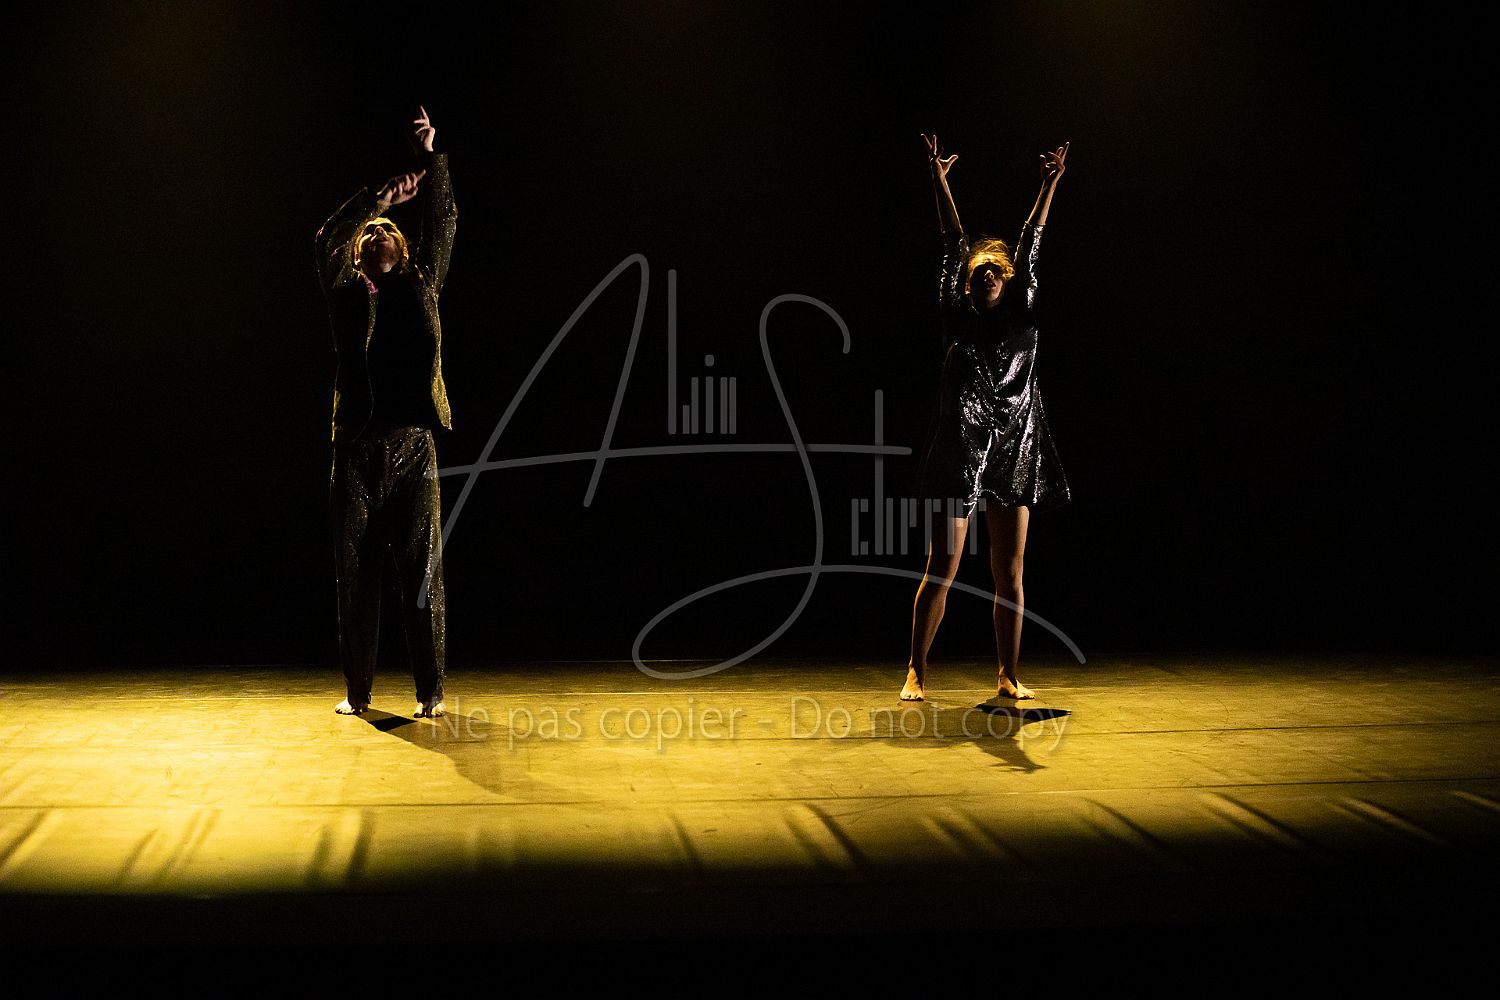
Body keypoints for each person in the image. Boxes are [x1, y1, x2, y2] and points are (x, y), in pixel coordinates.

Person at [901, 135, 1071, 703]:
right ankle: (917, 670)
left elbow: (1032, 244)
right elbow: (952, 245)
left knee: (1010, 572)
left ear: (1008, 277)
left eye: (996, 269)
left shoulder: (1023, 314)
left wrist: (1049, 184)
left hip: (1014, 451)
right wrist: (939, 184)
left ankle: (1008, 674)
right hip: (960, 452)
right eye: (979, 272)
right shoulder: (956, 317)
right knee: (942, 568)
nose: (988, 275)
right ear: (968, 282)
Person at [314, 106, 456, 718]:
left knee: (422, 573)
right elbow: (325, 237)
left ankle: (431, 691)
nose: (377, 234)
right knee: (357, 575)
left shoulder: (422, 285)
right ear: (359, 251)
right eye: (368, 232)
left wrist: (431, 157)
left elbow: (444, 220)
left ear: (401, 244)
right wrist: (376, 199)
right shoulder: (346, 294)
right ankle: (358, 692)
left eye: (386, 230)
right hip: (358, 449)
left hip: (414, 446)